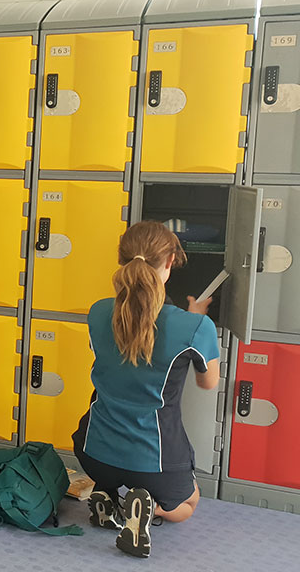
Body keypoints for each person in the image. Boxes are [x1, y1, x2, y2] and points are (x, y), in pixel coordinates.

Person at [73, 220, 220, 559]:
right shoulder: (196, 326)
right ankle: (144, 509)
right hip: (153, 462)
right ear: (169, 261)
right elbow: (207, 382)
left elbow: (134, 338)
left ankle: (108, 496)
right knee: (188, 503)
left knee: (112, 467)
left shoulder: (98, 312)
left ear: (121, 260)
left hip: (92, 453)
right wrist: (197, 320)